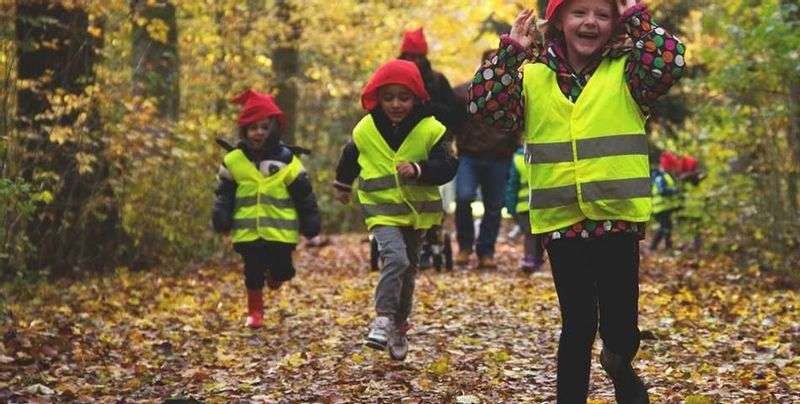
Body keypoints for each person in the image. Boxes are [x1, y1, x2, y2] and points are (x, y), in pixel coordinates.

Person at [468, 0, 685, 402]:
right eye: (579, 13)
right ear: (559, 21)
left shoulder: (630, 72)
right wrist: (510, 53)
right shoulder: (532, 77)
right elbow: (484, 106)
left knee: (621, 327)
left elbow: (670, 63)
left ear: (615, 23)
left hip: (617, 217)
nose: (590, 22)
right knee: (578, 322)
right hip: (561, 219)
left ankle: (618, 362)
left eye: (602, 14)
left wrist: (637, 18)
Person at [333, 60, 457, 360]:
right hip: (381, 210)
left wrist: (419, 169)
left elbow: (448, 165)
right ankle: (383, 319)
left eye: (404, 97)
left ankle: (399, 326)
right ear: (378, 98)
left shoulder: (431, 128)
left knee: (409, 270)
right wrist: (343, 183)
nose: (396, 104)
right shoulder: (366, 128)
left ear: (416, 97)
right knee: (396, 259)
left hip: (417, 213)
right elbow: (350, 155)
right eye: (389, 98)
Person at [212, 89, 321, 329]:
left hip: (281, 231)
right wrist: (221, 216)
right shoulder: (234, 160)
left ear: (274, 128)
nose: (258, 133)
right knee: (252, 272)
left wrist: (310, 222)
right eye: (252, 128)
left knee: (284, 270)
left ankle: (276, 277)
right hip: (247, 230)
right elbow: (224, 193)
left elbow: (303, 193)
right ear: (244, 131)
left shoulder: (287, 160)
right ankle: (255, 312)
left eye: (264, 127)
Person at [398, 27, 462, 269]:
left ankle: (428, 239)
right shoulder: (395, 79)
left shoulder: (437, 81)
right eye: (409, 56)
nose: (413, 61)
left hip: (435, 142)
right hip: (403, 144)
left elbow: (453, 114)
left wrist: (429, 110)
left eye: (417, 56)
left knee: (432, 194)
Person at [451, 50, 521, 269]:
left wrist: (512, 146)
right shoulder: (464, 93)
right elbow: (451, 119)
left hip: (499, 157)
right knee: (463, 197)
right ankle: (464, 246)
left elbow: (520, 123)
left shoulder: (513, 94)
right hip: (468, 156)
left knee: (494, 205)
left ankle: (486, 251)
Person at [505, 145, 546, 273]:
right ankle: (531, 258)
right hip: (531, 206)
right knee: (533, 232)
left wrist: (511, 207)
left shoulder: (518, 158)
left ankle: (535, 259)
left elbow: (512, 186)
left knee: (535, 233)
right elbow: (513, 185)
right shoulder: (543, 154)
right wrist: (511, 207)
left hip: (527, 206)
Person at [650, 151, 682, 252]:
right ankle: (659, 247)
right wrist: (675, 190)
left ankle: (660, 247)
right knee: (665, 227)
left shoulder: (666, 175)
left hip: (665, 207)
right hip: (660, 207)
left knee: (666, 227)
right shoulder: (660, 176)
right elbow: (662, 191)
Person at [675, 154, 705, 251]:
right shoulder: (694, 177)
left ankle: (688, 247)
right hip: (696, 209)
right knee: (694, 231)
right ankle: (694, 248)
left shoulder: (685, 178)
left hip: (687, 209)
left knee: (687, 230)